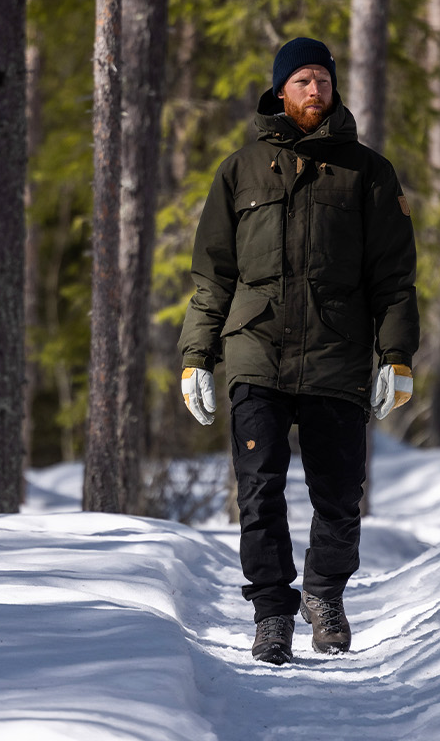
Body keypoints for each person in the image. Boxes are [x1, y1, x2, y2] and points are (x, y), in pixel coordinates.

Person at [178, 37, 419, 665]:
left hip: (335, 353)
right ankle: (272, 614)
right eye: (303, 80)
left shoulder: (369, 172)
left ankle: (324, 593)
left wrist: (394, 356)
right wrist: (195, 357)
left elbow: (393, 278)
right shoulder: (240, 170)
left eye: (323, 80)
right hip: (256, 350)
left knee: (338, 493)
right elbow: (213, 278)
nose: (315, 91)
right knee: (259, 491)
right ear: (280, 89)